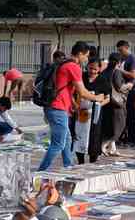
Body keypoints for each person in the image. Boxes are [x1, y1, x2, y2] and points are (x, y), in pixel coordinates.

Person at [40, 42, 105, 172]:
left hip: (56, 107)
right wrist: (97, 98)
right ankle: (40, 171)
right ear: (80, 54)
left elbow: (66, 88)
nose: (87, 59)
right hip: (58, 108)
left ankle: (68, 165)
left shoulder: (63, 63)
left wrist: (73, 104)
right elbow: (82, 92)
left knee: (67, 138)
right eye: (86, 56)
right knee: (58, 144)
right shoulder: (73, 67)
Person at [115, 40, 135, 147]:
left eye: (121, 50)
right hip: (122, 91)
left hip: (130, 90)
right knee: (123, 115)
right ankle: (123, 137)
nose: (120, 52)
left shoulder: (132, 59)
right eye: (119, 51)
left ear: (127, 47)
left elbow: (134, 75)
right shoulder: (123, 59)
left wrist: (120, 71)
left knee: (130, 115)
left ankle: (132, 139)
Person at [105, 51, 131, 156]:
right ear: (119, 62)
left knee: (113, 125)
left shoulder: (105, 71)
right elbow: (119, 87)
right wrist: (129, 85)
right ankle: (105, 145)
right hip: (117, 103)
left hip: (107, 102)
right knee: (120, 125)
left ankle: (112, 148)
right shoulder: (117, 72)